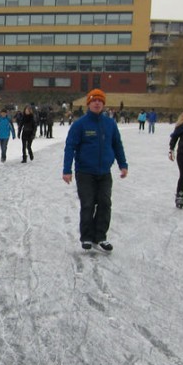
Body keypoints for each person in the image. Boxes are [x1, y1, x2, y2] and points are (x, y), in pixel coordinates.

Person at [62, 88, 128, 252]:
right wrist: (67, 169)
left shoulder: (110, 124)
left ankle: (100, 237)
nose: (97, 103)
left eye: (100, 100)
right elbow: (70, 147)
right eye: (94, 100)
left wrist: (123, 164)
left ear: (103, 104)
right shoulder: (80, 124)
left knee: (105, 203)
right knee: (88, 204)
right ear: (88, 103)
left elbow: (117, 145)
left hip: (104, 172)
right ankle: (86, 237)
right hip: (85, 172)